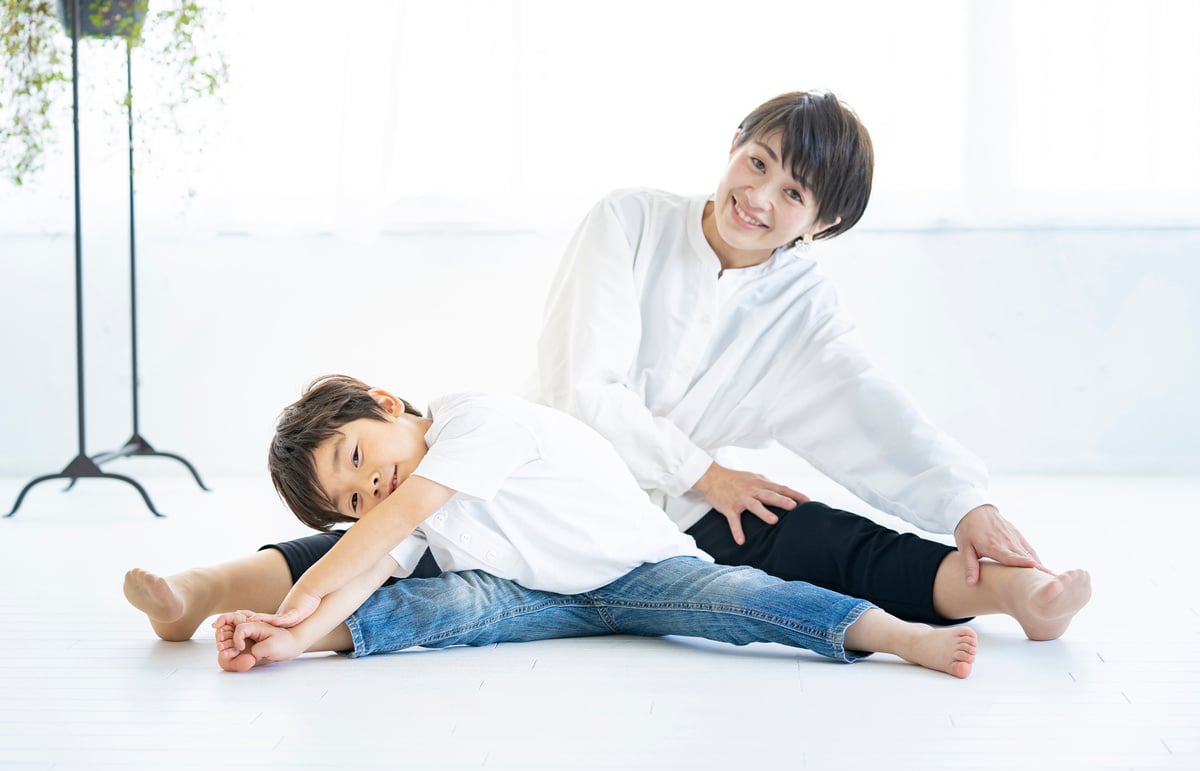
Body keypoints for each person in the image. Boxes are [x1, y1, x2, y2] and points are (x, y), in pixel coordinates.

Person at [124, 89, 1090, 644]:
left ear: (822, 222)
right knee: (375, 540)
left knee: (837, 542)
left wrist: (964, 501)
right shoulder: (629, 221)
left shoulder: (804, 304)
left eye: (792, 192)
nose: (759, 196)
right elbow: (588, 388)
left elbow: (865, 407)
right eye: (755, 163)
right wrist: (703, 469)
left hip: (663, 529)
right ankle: (203, 592)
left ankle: (1014, 593)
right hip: (547, 494)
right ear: (732, 151)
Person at [212, 374, 979, 679]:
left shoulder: (475, 422)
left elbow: (372, 541)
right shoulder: (395, 511)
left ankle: (894, 635)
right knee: (442, 606)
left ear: (385, 403)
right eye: (350, 502)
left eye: (356, 458)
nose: (368, 490)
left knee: (746, 600)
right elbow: (371, 568)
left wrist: (296, 594)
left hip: (640, 571)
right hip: (545, 599)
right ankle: (290, 641)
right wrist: (292, 635)